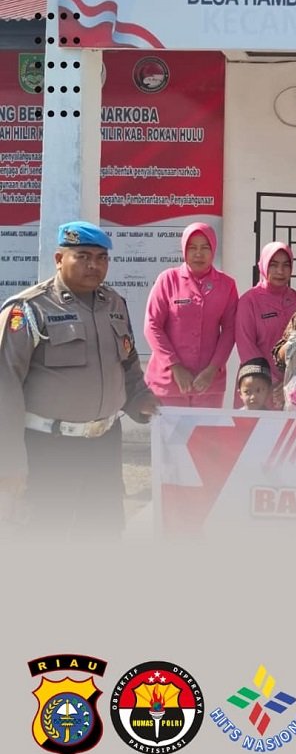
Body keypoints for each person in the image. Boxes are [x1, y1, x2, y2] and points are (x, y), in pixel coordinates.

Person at [0, 221, 159, 537]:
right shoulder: (29, 309)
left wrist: (140, 398)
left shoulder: (114, 304)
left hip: (105, 444)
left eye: (101, 258)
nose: (94, 265)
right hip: (49, 448)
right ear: (59, 259)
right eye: (83, 256)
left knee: (103, 532)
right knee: (46, 535)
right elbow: (5, 387)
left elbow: (127, 362)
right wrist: (10, 460)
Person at [144, 222, 238, 407]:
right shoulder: (167, 280)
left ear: (213, 249)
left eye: (205, 247)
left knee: (207, 428)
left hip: (208, 384)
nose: (198, 254)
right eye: (192, 247)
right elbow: (152, 326)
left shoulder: (227, 285)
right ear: (184, 250)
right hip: (168, 382)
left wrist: (212, 369)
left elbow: (230, 329)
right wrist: (175, 366)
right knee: (166, 428)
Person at [235, 241, 296, 409]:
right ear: (263, 265)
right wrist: (272, 383)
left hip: (293, 390)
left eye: (286, 265)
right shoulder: (249, 301)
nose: (280, 271)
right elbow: (246, 347)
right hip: (256, 389)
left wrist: (289, 384)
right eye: (273, 265)